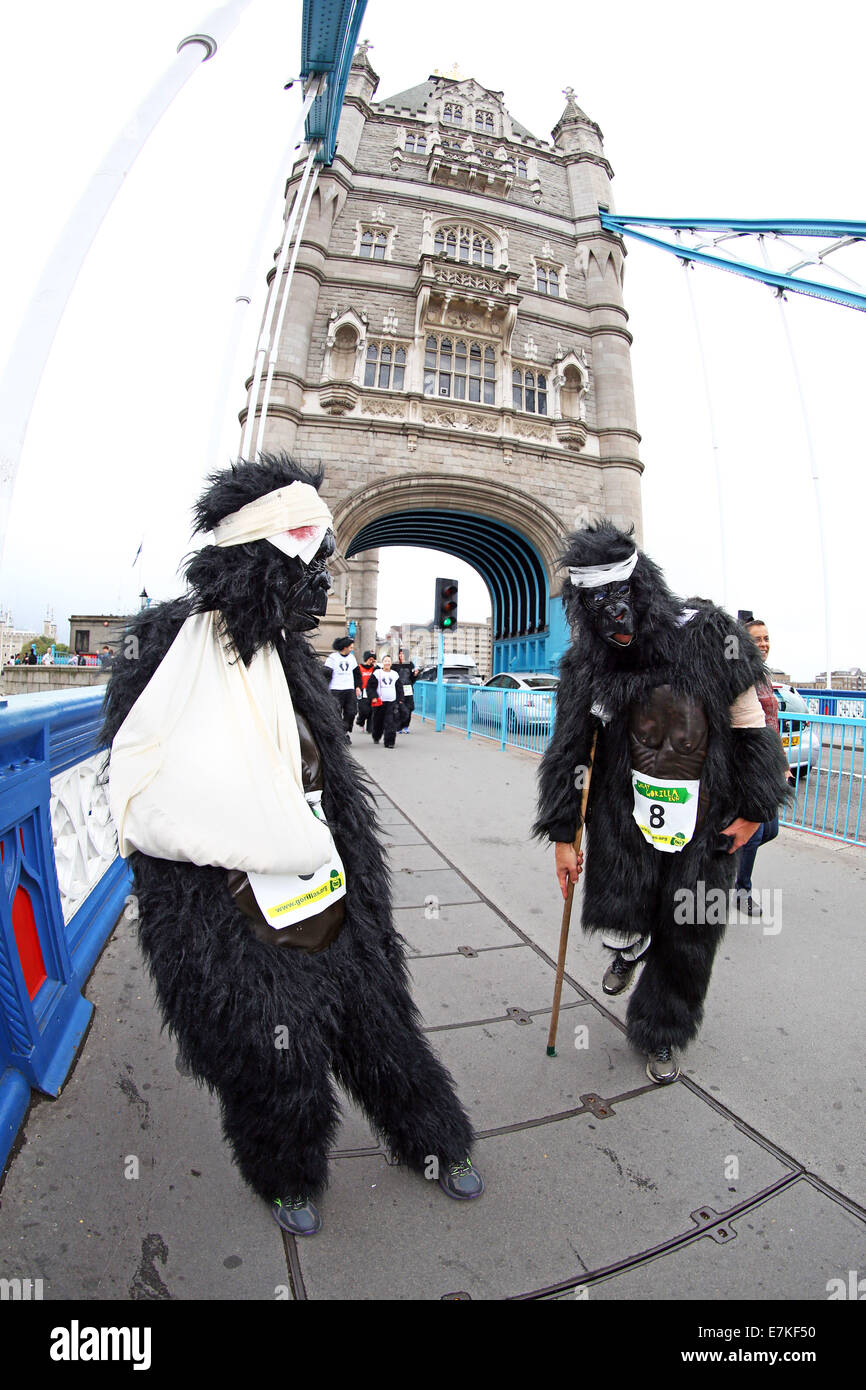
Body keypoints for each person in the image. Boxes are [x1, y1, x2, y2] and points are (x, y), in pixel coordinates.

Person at [103, 453, 482, 1239]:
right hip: (228, 903)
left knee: (380, 1022)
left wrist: (362, 877)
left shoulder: (295, 657)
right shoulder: (166, 649)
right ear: (259, 559)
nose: (323, 587)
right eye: (309, 566)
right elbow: (139, 780)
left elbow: (327, 774)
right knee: (273, 1053)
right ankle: (285, 1174)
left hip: (328, 879)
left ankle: (433, 1142)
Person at [534, 521, 789, 1084]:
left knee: (691, 929)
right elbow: (571, 748)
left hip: (708, 817)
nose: (613, 620)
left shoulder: (709, 633)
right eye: (595, 607)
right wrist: (563, 835)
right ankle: (629, 947)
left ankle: (664, 1032)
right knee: (624, 910)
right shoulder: (588, 663)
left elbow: (750, 726)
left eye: (620, 602)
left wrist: (754, 808)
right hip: (624, 813)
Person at [734, 620, 795, 915]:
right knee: (755, 832)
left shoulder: (764, 677)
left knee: (770, 830)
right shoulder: (739, 674)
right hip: (747, 766)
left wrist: (781, 763)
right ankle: (740, 891)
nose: (763, 644)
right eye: (756, 639)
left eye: (766, 638)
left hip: (768, 764)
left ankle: (720, 867)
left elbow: (772, 725)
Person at [324, 635, 360, 741]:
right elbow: (326, 674)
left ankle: (344, 730)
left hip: (349, 689)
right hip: (336, 689)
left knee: (351, 712)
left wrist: (358, 686)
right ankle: (340, 734)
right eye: (350, 647)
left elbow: (356, 674)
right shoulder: (332, 658)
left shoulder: (352, 658)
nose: (352, 649)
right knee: (336, 712)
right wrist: (324, 688)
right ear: (345, 647)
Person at [367, 655, 405, 749]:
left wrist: (400, 699)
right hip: (380, 702)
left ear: (391, 663)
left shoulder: (395, 674)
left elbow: (399, 687)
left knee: (390, 722)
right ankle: (376, 736)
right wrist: (373, 697)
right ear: (382, 662)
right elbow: (370, 686)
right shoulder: (377, 673)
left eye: (389, 661)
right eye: (385, 661)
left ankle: (390, 742)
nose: (387, 663)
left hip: (392, 702)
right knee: (378, 721)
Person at [394, 649, 417, 732]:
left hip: (408, 689)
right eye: (400, 654)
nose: (401, 656)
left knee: (409, 707)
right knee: (399, 707)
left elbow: (413, 679)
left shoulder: (410, 665)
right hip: (399, 689)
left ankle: (406, 726)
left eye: (403, 654)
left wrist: (415, 675)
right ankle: (398, 726)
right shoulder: (395, 665)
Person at [355, 651, 378, 733]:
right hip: (362, 691)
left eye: (373, 659)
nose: (371, 661)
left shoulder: (375, 669)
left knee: (372, 710)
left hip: (372, 691)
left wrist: (376, 666)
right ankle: (360, 721)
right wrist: (357, 687)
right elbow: (356, 678)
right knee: (363, 710)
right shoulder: (359, 667)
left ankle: (370, 728)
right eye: (370, 659)